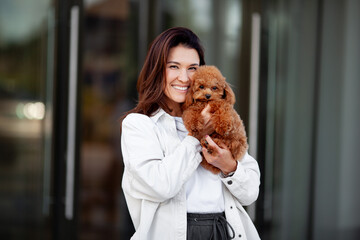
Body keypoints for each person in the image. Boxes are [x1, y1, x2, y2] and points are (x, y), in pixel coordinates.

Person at [120, 27, 260, 240]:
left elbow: (250, 193)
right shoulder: (139, 125)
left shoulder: (218, 118)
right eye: (174, 66)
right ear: (158, 70)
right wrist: (196, 136)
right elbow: (160, 186)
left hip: (224, 230)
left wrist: (229, 166)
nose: (184, 78)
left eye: (192, 68)